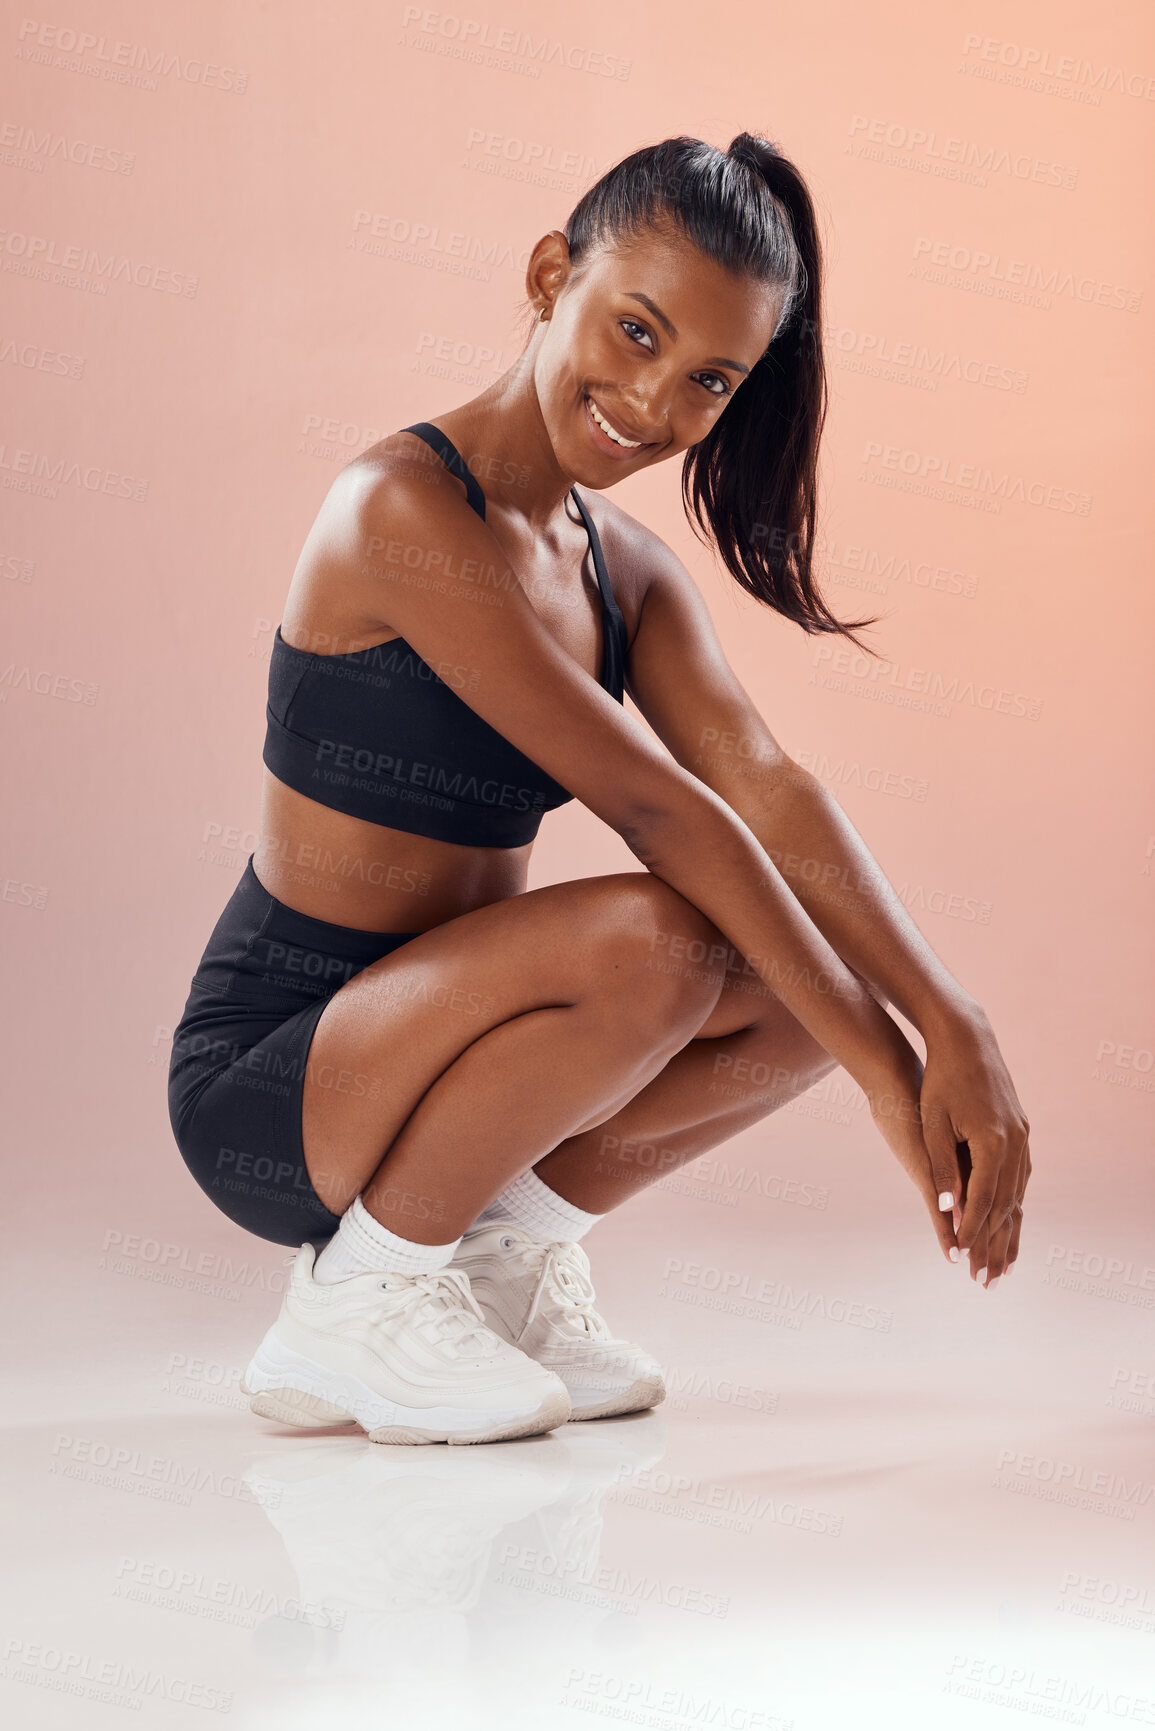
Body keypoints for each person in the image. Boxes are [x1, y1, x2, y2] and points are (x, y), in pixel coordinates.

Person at [167, 131, 1031, 1447]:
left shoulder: (623, 570)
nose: (651, 399)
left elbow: (768, 788)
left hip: (447, 1053)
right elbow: (667, 812)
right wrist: (888, 1083)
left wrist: (943, 1020)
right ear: (549, 274)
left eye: (707, 379)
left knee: (810, 994)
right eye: (633, 330)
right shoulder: (397, 511)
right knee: (674, 935)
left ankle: (495, 1261)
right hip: (278, 1079)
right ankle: (355, 1304)